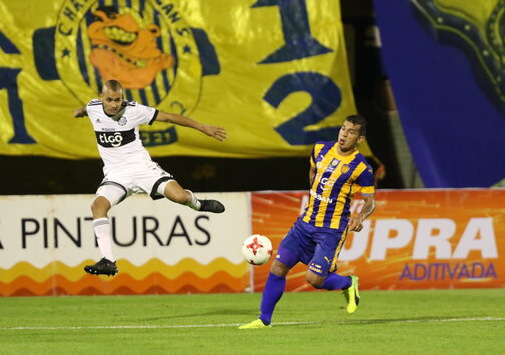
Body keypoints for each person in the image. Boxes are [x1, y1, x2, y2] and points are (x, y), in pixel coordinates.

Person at [74, 79, 227, 276]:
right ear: (101, 98)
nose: (114, 104)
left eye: (118, 100)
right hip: (116, 175)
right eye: (109, 100)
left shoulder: (133, 110)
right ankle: (108, 261)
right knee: (97, 206)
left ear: (123, 98)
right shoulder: (93, 107)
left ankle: (199, 205)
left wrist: (203, 127)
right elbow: (87, 109)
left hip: (142, 169)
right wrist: (80, 112)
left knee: (180, 197)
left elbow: (169, 117)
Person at [239, 115, 376, 329]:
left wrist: (359, 216)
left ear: (359, 139)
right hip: (305, 224)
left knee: (314, 280)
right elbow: (313, 171)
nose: (344, 134)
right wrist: (316, 193)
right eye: (343, 129)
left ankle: (348, 283)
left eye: (351, 132)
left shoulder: (361, 168)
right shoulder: (320, 148)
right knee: (278, 266)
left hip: (331, 230)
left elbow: (370, 202)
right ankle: (263, 319)